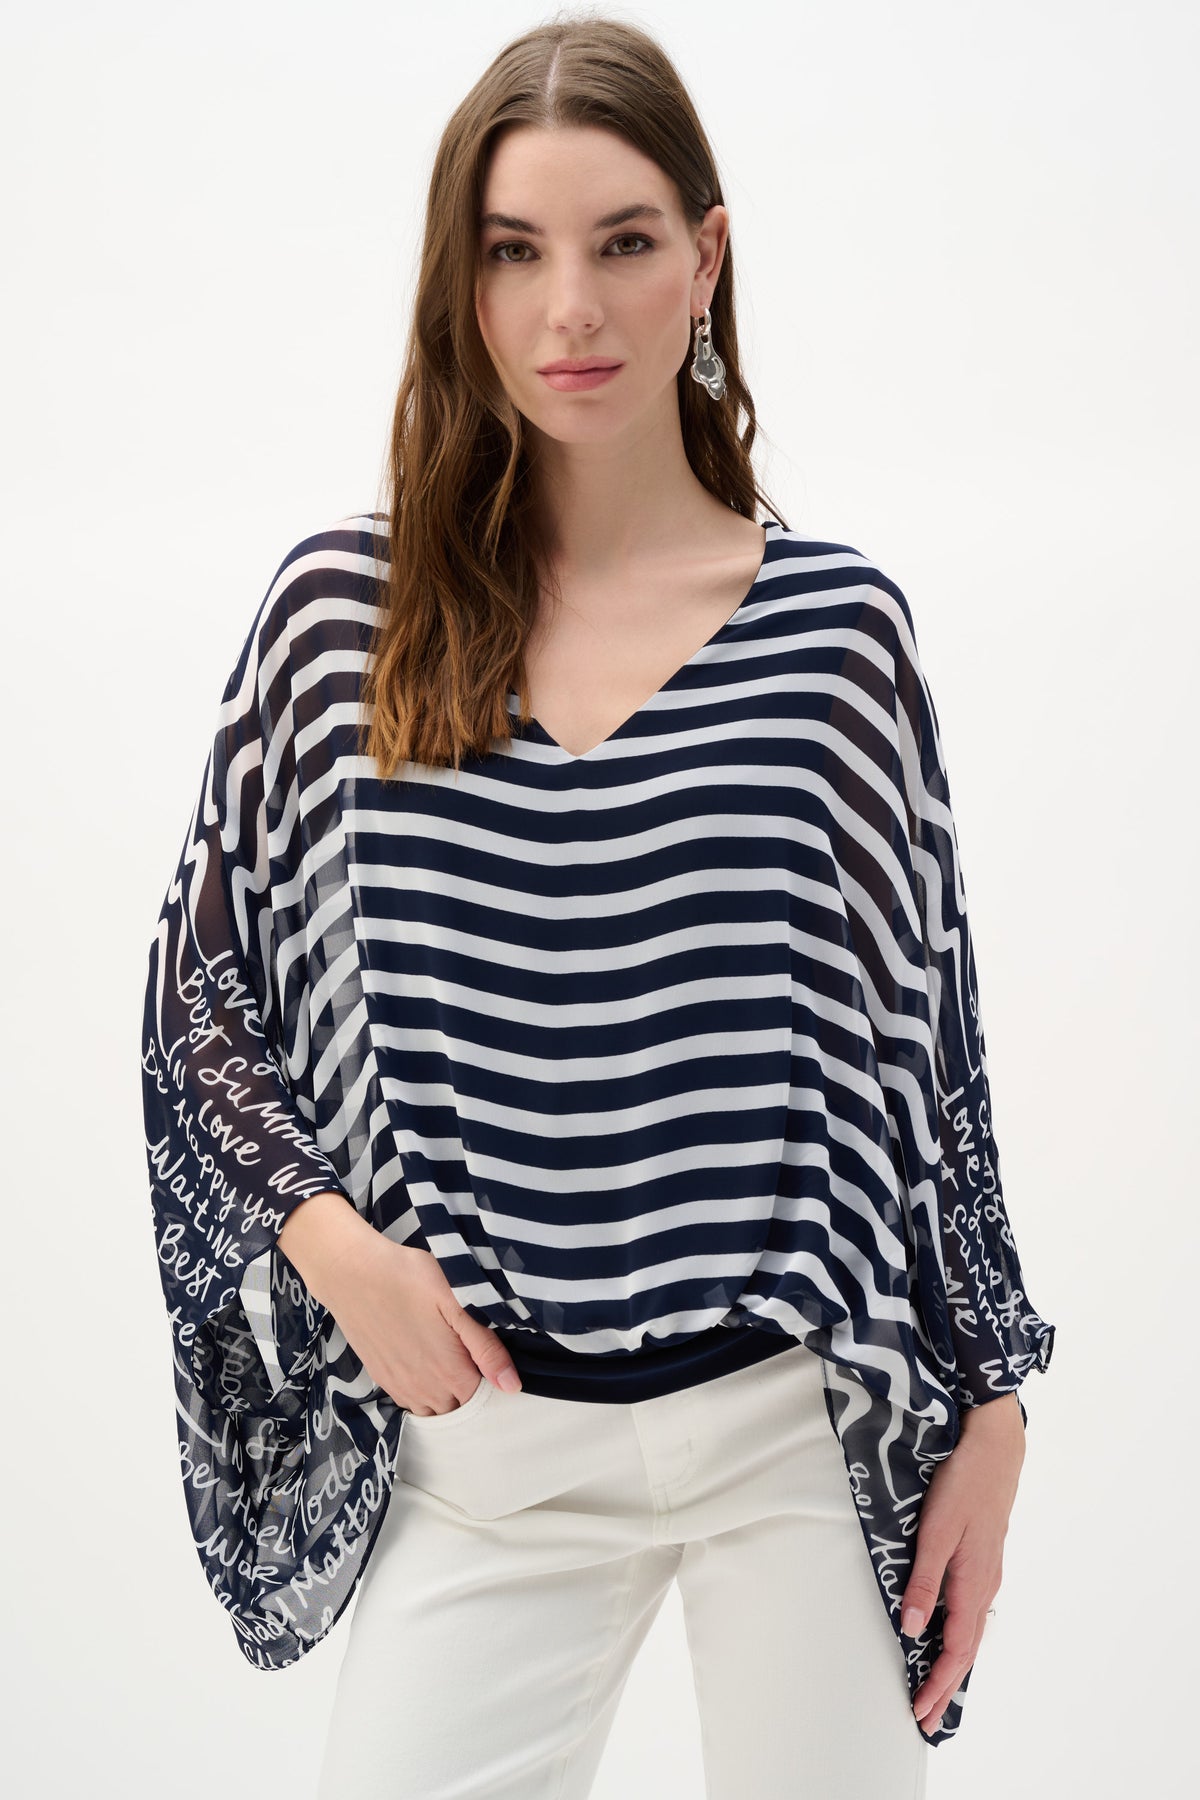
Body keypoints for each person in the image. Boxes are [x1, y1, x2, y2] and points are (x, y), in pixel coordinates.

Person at [140, 14, 1056, 1798]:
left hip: (788, 1437)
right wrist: (335, 1250)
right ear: (462, 282)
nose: (571, 309)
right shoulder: (345, 623)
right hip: (490, 1454)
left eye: (624, 242)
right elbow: (199, 996)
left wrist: (998, 1407)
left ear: (705, 258)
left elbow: (928, 1064)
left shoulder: (836, 641)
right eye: (515, 251)